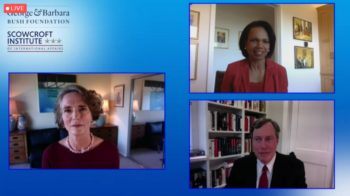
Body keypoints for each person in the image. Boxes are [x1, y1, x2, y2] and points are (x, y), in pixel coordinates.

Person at [42, 85, 119, 168]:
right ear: (61, 118)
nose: (75, 116)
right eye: (68, 110)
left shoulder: (110, 151)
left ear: (92, 115)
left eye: (82, 109)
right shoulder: (50, 154)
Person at [226, 118, 307, 188]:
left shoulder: (295, 167)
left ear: (277, 141)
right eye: (257, 139)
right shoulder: (239, 166)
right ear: (252, 142)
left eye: (268, 139)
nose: (263, 146)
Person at [221, 21, 288, 92]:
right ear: (245, 44)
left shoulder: (280, 72)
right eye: (254, 40)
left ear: (270, 46)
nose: (260, 46)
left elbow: (282, 102)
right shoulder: (232, 69)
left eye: (265, 41)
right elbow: (224, 102)